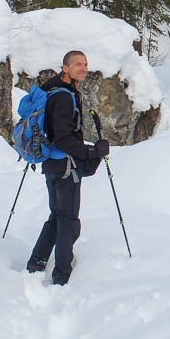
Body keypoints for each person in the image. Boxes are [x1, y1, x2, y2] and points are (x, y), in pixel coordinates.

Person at [25, 50, 109, 285]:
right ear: (65, 68)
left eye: (85, 64)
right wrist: (91, 152)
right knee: (68, 220)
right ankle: (62, 274)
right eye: (77, 64)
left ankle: (36, 262)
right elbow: (62, 137)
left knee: (57, 216)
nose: (83, 68)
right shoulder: (63, 97)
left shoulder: (52, 89)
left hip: (52, 165)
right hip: (65, 167)